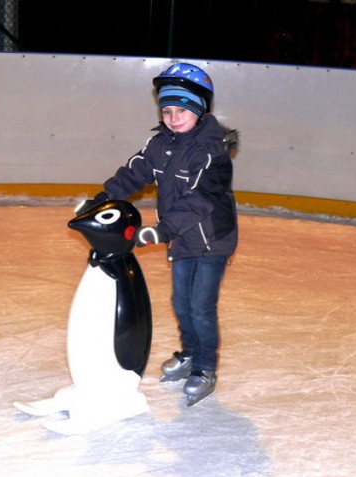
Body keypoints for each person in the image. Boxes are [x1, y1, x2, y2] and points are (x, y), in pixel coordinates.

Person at [77, 62, 238, 406]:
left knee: (200, 306)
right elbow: (134, 173)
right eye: (167, 110)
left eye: (182, 110)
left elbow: (199, 201)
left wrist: (161, 231)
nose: (173, 117)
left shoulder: (212, 153)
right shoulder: (160, 144)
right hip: (182, 239)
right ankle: (191, 353)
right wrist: (103, 199)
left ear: (199, 109)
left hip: (211, 240)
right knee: (181, 302)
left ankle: (205, 367)